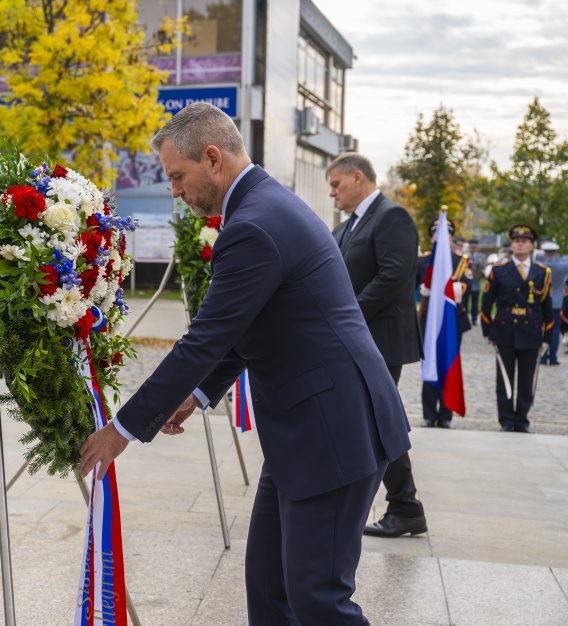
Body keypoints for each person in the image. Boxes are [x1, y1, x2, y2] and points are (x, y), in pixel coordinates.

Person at [79, 103, 411, 624]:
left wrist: (122, 428)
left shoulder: (255, 224)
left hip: (332, 433)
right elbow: (245, 328)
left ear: (212, 158)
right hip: (307, 432)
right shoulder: (263, 206)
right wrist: (198, 393)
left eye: (177, 176)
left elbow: (206, 337)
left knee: (318, 600)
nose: (175, 190)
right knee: (269, 589)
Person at [326, 152, 428, 540]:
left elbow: (392, 276)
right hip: (355, 340)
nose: (333, 193)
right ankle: (401, 506)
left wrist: (345, 315)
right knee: (370, 420)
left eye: (336, 184)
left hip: (381, 340)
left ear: (358, 178)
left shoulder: (391, 217)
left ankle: (405, 507)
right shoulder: (345, 228)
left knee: (380, 421)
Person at [480, 224, 553, 433]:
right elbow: (487, 302)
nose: (520, 244)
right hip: (504, 330)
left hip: (531, 331)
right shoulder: (499, 270)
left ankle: (521, 419)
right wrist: (488, 330)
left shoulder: (542, 273)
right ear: (512, 245)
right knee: (504, 378)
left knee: (526, 379)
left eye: (524, 241)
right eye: (516, 241)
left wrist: (547, 335)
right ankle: (506, 419)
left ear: (531, 246)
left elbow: (547, 307)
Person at [416, 217, 472, 428]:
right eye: (436, 234)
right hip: (429, 321)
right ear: (432, 237)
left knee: (448, 362)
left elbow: (464, 288)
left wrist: (445, 290)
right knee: (429, 364)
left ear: (451, 237)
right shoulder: (424, 261)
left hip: (452, 321)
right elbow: (411, 285)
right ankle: (429, 414)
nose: (441, 238)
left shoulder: (461, 262)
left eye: (446, 234)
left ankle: (445, 415)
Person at [539, 241, 568, 365]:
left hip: (543, 300)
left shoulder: (540, 266)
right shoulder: (563, 266)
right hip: (557, 301)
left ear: (545, 253)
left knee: (543, 328)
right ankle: (553, 357)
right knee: (555, 330)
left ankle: (543, 356)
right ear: (555, 252)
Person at [468, 239, 486, 325]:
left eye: (474, 247)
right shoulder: (464, 256)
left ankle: (474, 319)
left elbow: (483, 268)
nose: (472, 248)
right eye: (471, 246)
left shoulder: (481, 256)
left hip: (476, 283)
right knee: (464, 302)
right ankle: (463, 319)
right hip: (466, 284)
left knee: (475, 303)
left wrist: (482, 272)